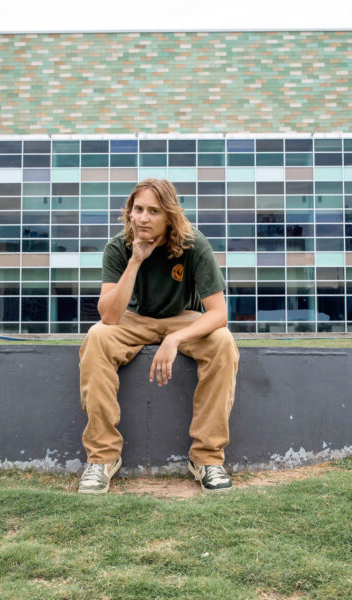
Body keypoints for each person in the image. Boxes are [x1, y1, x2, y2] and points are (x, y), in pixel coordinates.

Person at [78, 178, 239, 494]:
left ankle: (206, 459)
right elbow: (109, 316)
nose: (142, 218)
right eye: (138, 209)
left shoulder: (194, 245)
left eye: (153, 211)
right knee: (96, 337)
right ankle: (102, 459)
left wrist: (174, 339)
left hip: (183, 320)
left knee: (222, 342)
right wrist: (136, 259)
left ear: (169, 216)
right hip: (133, 320)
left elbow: (219, 314)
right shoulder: (118, 247)